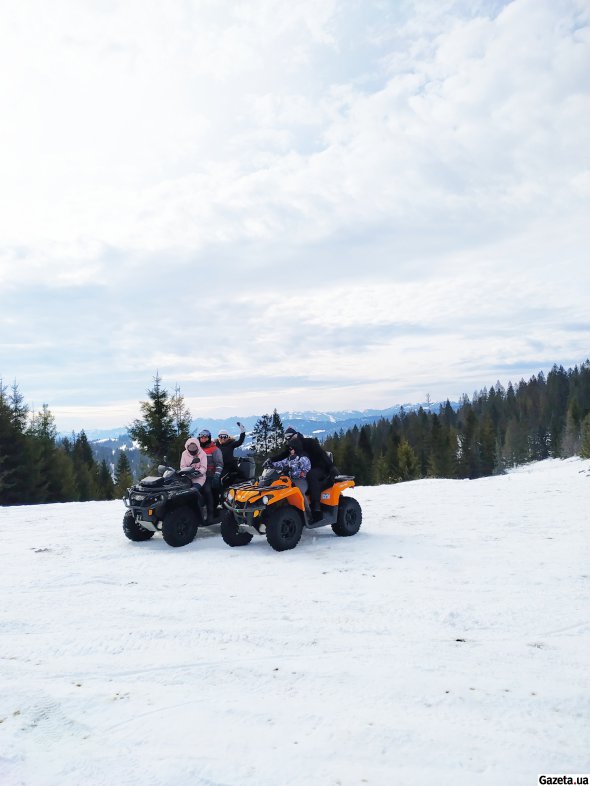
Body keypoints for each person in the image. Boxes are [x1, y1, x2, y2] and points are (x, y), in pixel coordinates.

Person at [270, 426, 337, 522]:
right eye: (286, 437)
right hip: (302, 470)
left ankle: (316, 508)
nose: (288, 439)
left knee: (311, 475)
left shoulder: (309, 442)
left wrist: (331, 467)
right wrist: (271, 461)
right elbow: (283, 456)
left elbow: (322, 454)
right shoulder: (292, 446)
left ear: (296, 434)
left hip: (319, 467)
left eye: (290, 436)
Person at [197, 429, 224, 519]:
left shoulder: (215, 449)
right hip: (198, 475)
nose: (203, 439)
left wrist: (216, 475)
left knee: (207, 490)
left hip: (210, 476)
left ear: (208, 438)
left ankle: (210, 514)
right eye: (201, 437)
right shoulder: (197, 449)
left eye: (205, 437)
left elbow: (219, 464)